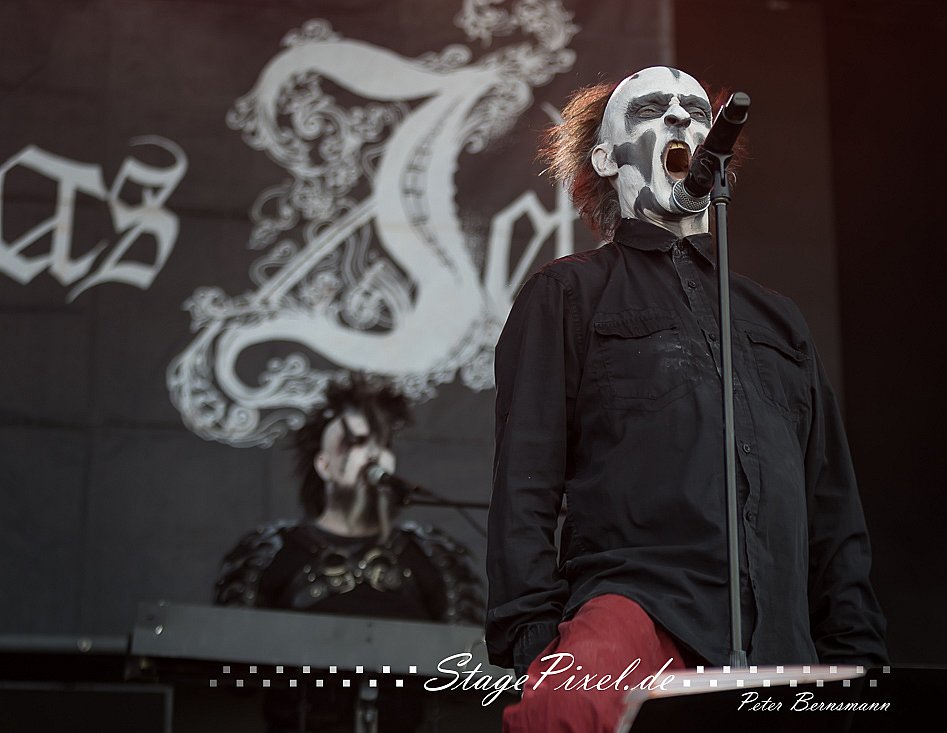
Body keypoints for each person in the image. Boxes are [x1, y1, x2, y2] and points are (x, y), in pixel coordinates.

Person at [486, 66, 888, 732]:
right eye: (652, 108)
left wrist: (858, 655)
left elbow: (832, 504)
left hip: (779, 636)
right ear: (605, 158)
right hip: (642, 605)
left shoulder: (778, 319)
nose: (679, 119)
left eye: (696, 112)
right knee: (565, 709)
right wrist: (531, 639)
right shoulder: (568, 293)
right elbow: (524, 482)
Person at [215, 372, 482, 733]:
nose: (373, 454)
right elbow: (233, 677)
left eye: (382, 443)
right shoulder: (270, 553)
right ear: (323, 464)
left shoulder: (432, 555)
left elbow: (466, 678)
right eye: (353, 443)